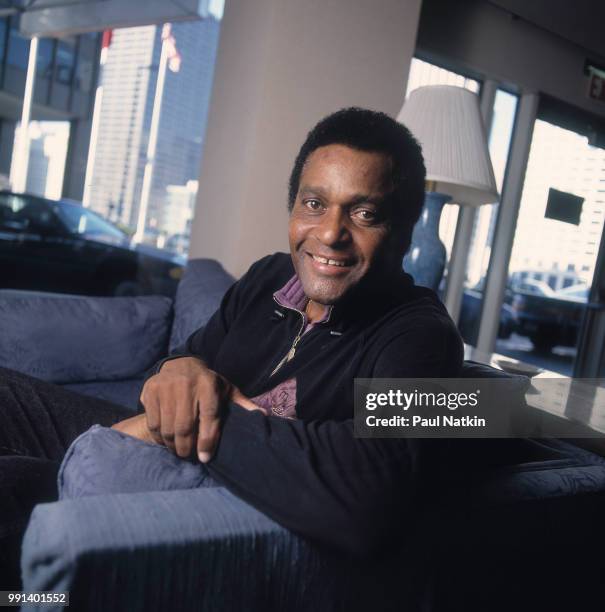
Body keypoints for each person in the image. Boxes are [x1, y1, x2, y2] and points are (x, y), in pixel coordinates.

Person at [0, 108, 463, 588]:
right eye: (314, 204)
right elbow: (185, 355)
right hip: (159, 445)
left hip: (205, 489)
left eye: (365, 213)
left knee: (11, 484)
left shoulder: (422, 337)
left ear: (405, 230)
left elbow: (373, 492)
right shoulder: (269, 275)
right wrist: (179, 369)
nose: (330, 233)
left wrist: (203, 412)